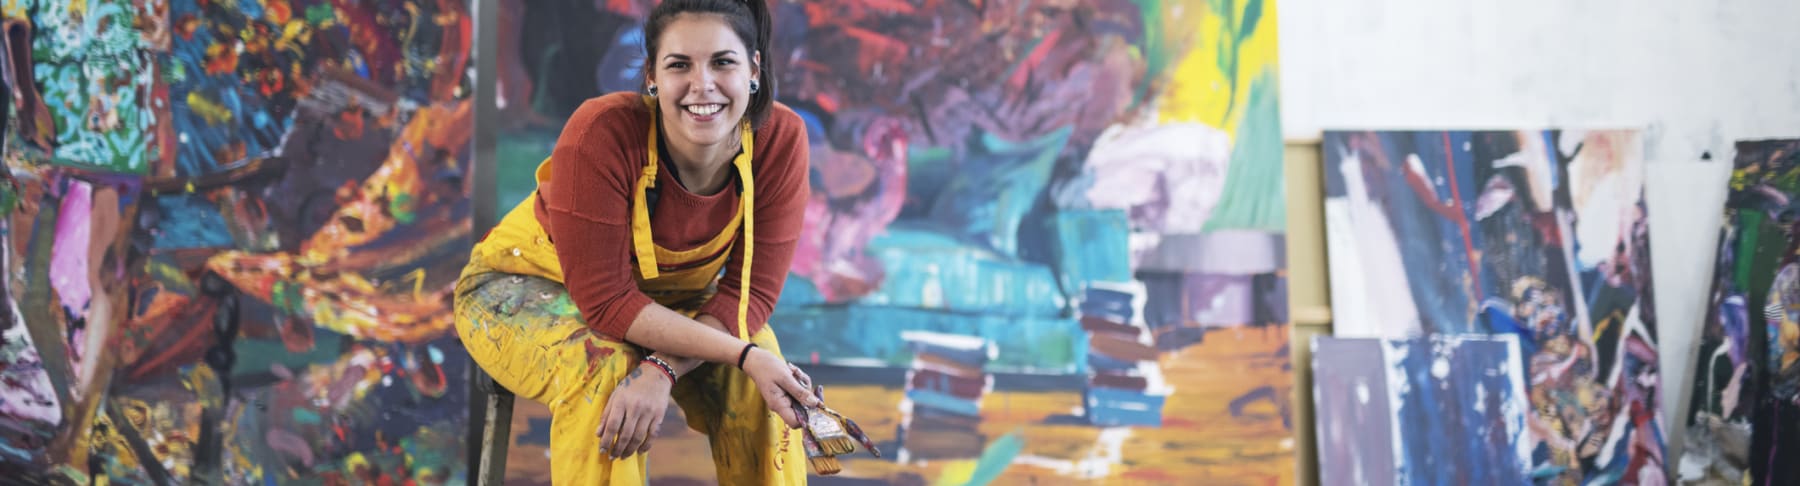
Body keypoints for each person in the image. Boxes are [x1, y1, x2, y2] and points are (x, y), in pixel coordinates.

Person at [452, 0, 819, 482]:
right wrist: (730, 356)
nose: (702, 85)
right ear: (652, 75)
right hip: (519, 288)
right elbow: (606, 303)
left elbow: (750, 296)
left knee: (763, 379)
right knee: (604, 370)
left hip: (666, 301)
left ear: (753, 69)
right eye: (679, 65)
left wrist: (664, 369)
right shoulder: (600, 131)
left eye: (722, 62)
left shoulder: (781, 139)